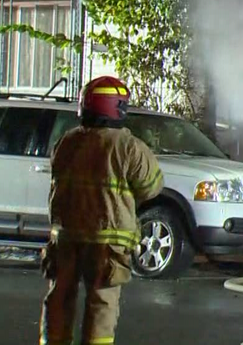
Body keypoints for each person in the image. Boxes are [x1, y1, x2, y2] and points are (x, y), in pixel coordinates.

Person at [40, 76, 164, 345]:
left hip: (66, 236)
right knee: (102, 303)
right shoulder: (128, 146)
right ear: (118, 108)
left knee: (59, 297)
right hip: (108, 241)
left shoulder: (67, 141)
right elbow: (152, 187)